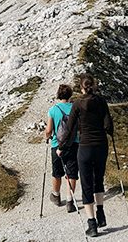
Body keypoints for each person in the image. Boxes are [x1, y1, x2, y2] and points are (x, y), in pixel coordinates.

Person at [58, 74, 114, 237]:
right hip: (101, 146)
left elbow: (70, 129)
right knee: (99, 180)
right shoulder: (102, 101)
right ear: (94, 86)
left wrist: (61, 147)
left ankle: (92, 224)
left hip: (85, 147)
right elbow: (108, 124)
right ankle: (101, 213)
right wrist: (110, 133)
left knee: (87, 183)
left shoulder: (77, 104)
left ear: (81, 88)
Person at [44, 84, 79, 213]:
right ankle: (70, 201)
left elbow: (48, 130)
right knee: (72, 173)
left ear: (59, 95)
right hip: (74, 144)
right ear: (70, 95)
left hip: (56, 145)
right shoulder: (76, 108)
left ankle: (56, 196)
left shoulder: (53, 110)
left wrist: (47, 136)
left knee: (57, 172)